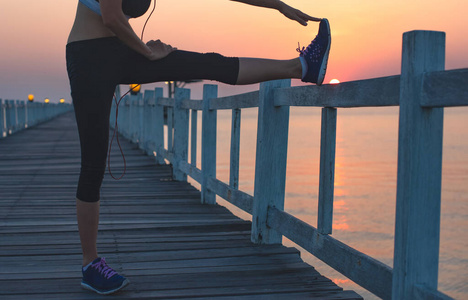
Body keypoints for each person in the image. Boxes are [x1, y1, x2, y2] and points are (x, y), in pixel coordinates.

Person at [66, 0, 331, 295]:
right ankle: (90, 264)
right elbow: (112, 17)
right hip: (88, 55)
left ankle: (304, 66)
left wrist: (276, 5)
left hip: (125, 50)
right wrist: (148, 52)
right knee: (93, 163)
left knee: (210, 63)